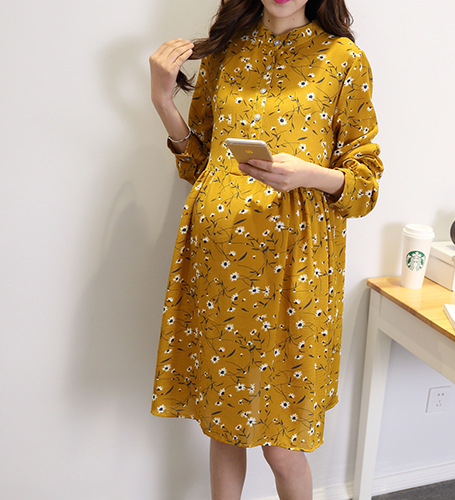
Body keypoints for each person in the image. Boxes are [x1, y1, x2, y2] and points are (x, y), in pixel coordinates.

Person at [148, 0, 382, 498]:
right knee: (223, 426)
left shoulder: (343, 60)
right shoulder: (226, 52)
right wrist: (164, 103)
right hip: (220, 266)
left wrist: (310, 174)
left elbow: (364, 187)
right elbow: (199, 163)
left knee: (282, 445)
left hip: (297, 271)